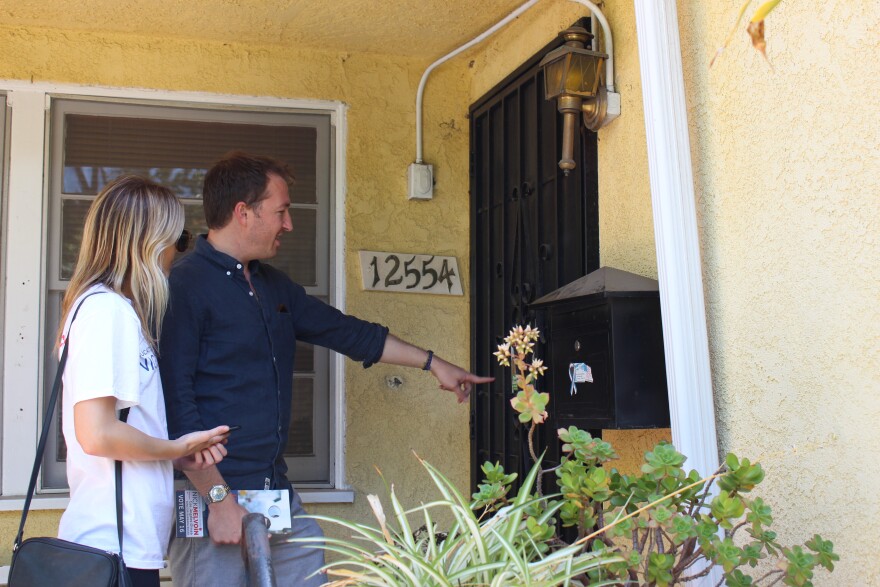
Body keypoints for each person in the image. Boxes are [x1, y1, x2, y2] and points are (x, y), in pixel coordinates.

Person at [159, 152, 493, 586]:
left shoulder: (270, 285)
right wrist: (219, 500)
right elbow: (177, 406)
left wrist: (434, 363)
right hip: (211, 497)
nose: (289, 224)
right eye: (281, 211)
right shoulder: (183, 286)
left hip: (273, 491)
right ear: (244, 213)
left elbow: (346, 332)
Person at [56, 176, 233, 587]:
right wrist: (176, 446)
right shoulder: (107, 311)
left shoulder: (104, 309)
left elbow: (118, 430)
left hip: (119, 544)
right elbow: (97, 434)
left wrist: (175, 455)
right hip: (111, 547)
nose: (179, 252)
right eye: (180, 239)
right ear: (150, 243)